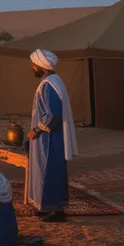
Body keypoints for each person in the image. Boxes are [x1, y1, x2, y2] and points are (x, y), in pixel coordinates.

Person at [26, 49, 78, 222]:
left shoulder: (49, 85)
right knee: (43, 171)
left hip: (49, 138)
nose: (32, 67)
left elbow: (53, 114)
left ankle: (56, 210)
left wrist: (37, 129)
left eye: (34, 64)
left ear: (42, 65)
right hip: (47, 138)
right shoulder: (52, 81)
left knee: (49, 171)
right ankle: (44, 206)